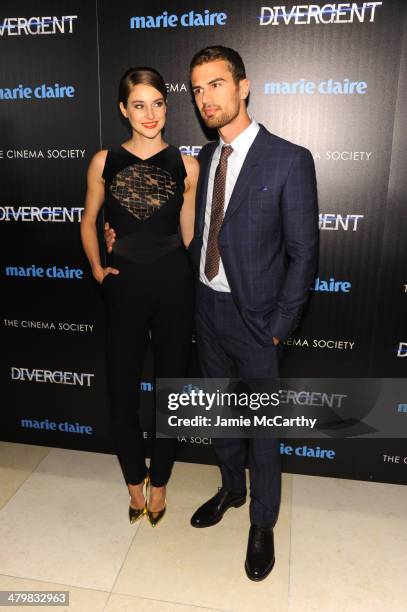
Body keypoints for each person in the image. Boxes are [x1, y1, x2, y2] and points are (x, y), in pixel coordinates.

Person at [105, 46, 318, 579]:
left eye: (216, 85)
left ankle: (263, 522)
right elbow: (171, 224)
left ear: (243, 87)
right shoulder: (199, 161)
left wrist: (278, 327)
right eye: (197, 90)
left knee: (262, 427)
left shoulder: (289, 158)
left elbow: (304, 254)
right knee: (222, 415)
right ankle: (231, 489)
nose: (206, 99)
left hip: (257, 319)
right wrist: (117, 234)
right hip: (203, 308)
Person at [80, 66, 199, 527]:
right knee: (122, 392)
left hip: (175, 288)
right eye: (138, 104)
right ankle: (134, 484)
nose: (149, 114)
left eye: (157, 103)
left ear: (167, 107)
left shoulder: (186, 164)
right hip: (123, 287)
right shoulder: (103, 161)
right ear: (123, 109)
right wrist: (97, 269)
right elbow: (89, 220)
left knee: (170, 393)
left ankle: (162, 482)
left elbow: (188, 235)